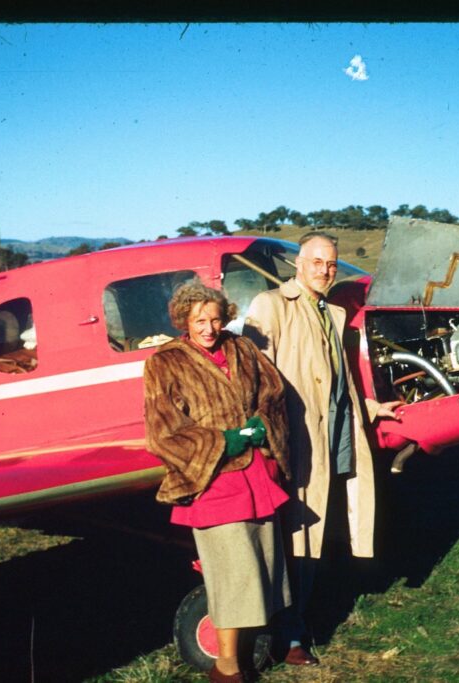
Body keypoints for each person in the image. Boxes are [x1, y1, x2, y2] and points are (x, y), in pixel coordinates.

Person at [243, 232, 402, 666]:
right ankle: (286, 637)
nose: (326, 271)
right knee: (295, 536)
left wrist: (369, 407)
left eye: (331, 264)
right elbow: (253, 380)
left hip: (333, 436)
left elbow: (337, 381)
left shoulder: (332, 311)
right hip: (294, 441)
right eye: (317, 262)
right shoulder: (271, 305)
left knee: (313, 535)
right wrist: (268, 439)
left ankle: (294, 626)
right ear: (299, 263)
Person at [143, 281, 293, 683]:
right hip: (213, 480)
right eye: (198, 321)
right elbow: (163, 432)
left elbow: (273, 393)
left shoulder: (241, 348)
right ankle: (226, 668)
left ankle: (247, 655)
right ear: (183, 322)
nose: (208, 328)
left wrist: (262, 424)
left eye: (214, 318)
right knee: (231, 574)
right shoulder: (165, 363)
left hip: (257, 476)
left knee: (260, 569)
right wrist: (218, 442)